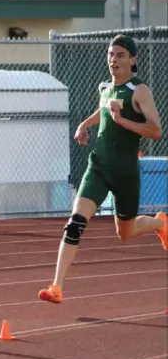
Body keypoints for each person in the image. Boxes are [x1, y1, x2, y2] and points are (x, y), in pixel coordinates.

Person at [39, 34, 167, 304]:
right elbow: (103, 112)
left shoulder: (139, 91)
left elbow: (156, 130)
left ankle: (160, 222)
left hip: (125, 173)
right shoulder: (105, 89)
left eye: (120, 55)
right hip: (97, 167)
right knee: (75, 224)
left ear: (133, 60)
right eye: (110, 54)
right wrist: (84, 125)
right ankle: (56, 287)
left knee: (125, 233)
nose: (113, 60)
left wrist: (123, 121)